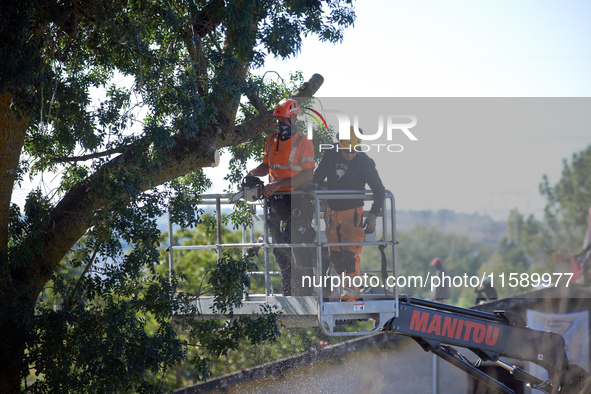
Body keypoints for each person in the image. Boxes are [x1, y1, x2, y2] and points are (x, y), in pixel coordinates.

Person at [247, 98, 316, 296]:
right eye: (278, 120)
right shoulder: (271, 140)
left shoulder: (304, 142)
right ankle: (289, 292)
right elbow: (267, 166)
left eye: (284, 120)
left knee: (301, 247)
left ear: (294, 118)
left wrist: (278, 184)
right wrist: (253, 173)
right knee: (279, 248)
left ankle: (306, 292)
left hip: (297, 201)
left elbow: (307, 175)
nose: (280, 124)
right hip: (275, 202)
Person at [312, 128, 385, 300]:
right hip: (331, 214)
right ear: (339, 145)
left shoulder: (365, 162)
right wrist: (313, 184)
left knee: (350, 256)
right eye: (347, 151)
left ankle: (351, 297)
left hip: (352, 214)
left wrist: (373, 215)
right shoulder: (330, 154)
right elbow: (319, 174)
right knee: (336, 256)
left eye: (354, 150)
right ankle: (347, 293)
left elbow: (379, 191)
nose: (350, 154)